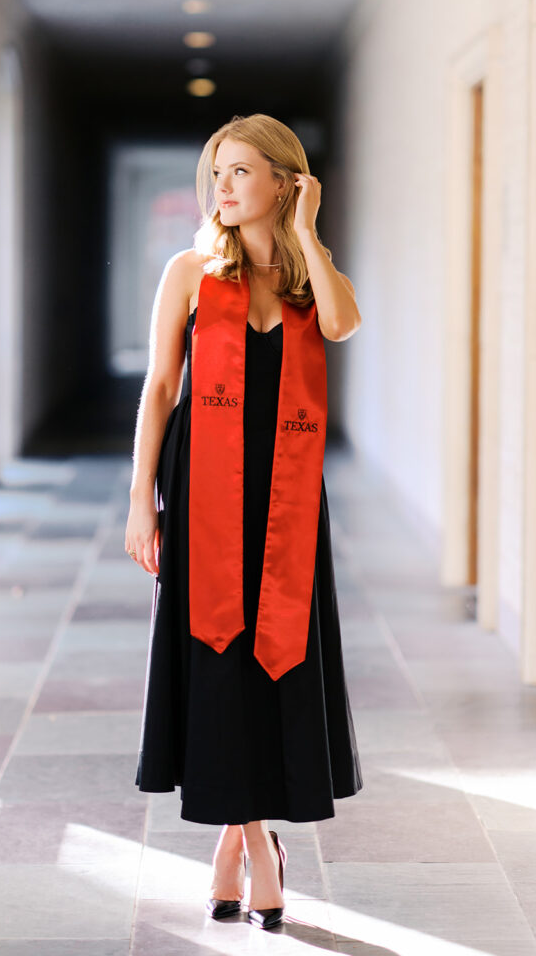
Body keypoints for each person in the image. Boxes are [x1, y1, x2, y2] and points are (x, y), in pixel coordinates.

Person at [125, 113, 363, 930]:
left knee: (277, 656)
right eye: (216, 172)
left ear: (285, 181)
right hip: (201, 497)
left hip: (286, 497)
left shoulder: (308, 283)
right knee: (219, 660)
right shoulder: (190, 272)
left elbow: (342, 324)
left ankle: (237, 837)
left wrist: (308, 233)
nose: (223, 187)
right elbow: (159, 390)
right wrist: (139, 500)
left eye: (241, 172)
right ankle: (256, 844)